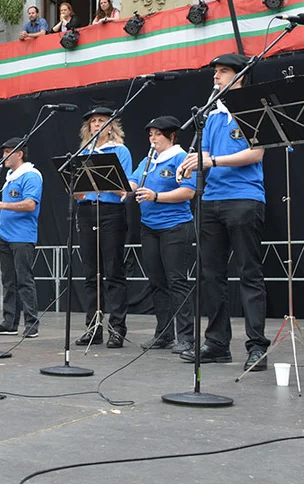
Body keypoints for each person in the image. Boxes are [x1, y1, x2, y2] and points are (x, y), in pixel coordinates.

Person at [177, 54, 269, 370]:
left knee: (249, 273)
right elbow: (205, 154)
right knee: (211, 275)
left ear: (240, 75)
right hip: (210, 199)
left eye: (224, 71)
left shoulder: (253, 108)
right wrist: (190, 165)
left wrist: (212, 161)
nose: (216, 76)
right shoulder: (212, 113)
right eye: (215, 71)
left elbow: (256, 154)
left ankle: (257, 346)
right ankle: (217, 343)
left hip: (244, 198)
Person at [129, 117, 198, 353]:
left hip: (175, 226)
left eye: (158, 134)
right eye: (151, 135)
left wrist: (156, 196)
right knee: (157, 282)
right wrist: (117, 185)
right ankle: (164, 334)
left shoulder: (181, 158)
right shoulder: (148, 160)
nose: (153, 139)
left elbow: (188, 192)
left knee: (177, 281)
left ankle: (186, 336)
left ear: (172, 136)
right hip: (149, 227)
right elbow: (133, 182)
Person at [74, 106, 131, 348]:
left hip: (110, 211)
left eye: (101, 121)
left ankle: (117, 328)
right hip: (87, 211)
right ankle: (93, 327)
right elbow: (76, 188)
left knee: (113, 271)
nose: (97, 124)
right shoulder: (83, 152)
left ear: (111, 127)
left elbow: (125, 187)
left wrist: (105, 180)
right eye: (93, 121)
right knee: (91, 273)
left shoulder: (120, 151)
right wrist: (77, 191)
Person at [0, 137, 43, 338]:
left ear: (19, 154)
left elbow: (30, 204)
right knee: (8, 280)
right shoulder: (10, 176)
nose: (4, 156)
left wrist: (1, 205)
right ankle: (10, 322)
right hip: (6, 234)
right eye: (3, 152)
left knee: (24, 280)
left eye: (8, 152)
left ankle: (31, 323)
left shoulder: (31, 175)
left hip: (22, 236)